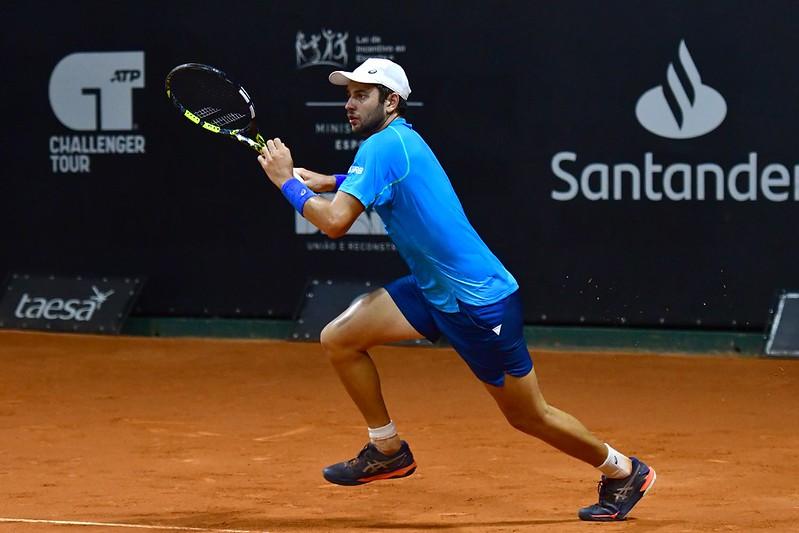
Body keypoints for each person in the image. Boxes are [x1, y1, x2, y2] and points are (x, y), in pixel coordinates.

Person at [257, 57, 656, 521]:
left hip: (478, 304)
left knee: (529, 415)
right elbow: (377, 187)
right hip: (434, 291)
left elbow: (335, 222)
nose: (349, 103)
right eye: (347, 94)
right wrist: (330, 181)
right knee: (340, 337)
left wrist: (287, 182)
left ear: (391, 101)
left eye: (361, 95)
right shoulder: (395, 142)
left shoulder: (383, 147)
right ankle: (386, 449)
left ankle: (623, 470)